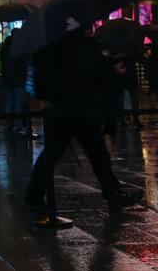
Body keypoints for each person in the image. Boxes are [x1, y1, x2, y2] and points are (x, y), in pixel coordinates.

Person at [23, 27, 144, 213]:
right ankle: (112, 193)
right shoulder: (85, 47)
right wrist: (114, 71)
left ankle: (34, 196)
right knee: (97, 155)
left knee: (53, 156)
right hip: (82, 109)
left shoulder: (50, 48)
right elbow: (95, 75)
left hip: (60, 109)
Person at [0, 35, 36, 138]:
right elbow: (27, 64)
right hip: (19, 80)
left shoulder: (3, 51)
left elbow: (0, 66)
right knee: (19, 103)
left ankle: (8, 126)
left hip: (7, 80)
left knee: (9, 104)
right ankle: (17, 125)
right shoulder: (21, 51)